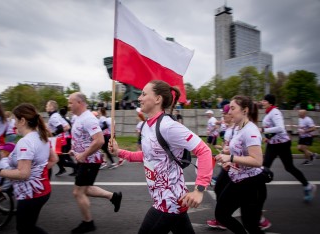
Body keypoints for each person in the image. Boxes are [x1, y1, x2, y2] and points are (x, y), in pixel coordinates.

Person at [109, 80, 213, 233]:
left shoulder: (169, 126)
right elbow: (148, 156)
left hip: (169, 202)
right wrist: (119, 152)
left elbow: (204, 151)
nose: (139, 98)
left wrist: (199, 189)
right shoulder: (146, 126)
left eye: (144, 94)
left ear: (158, 99)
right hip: (169, 200)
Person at [0, 103, 59, 234]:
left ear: (22, 120)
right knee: (28, 227)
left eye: (14, 120)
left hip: (30, 194)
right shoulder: (42, 136)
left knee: (24, 228)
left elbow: (24, 174)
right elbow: (54, 159)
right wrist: (37, 171)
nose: (13, 124)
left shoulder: (25, 142)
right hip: (41, 191)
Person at [67, 92, 122, 234]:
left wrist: (83, 154)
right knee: (86, 189)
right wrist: (74, 150)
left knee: (78, 192)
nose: (69, 105)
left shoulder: (88, 119)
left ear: (79, 102)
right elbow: (83, 139)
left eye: (71, 102)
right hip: (84, 159)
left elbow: (100, 140)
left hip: (90, 161)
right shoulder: (78, 118)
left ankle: (88, 222)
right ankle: (114, 197)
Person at [215, 95, 267, 234]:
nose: (229, 112)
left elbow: (257, 161)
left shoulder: (250, 130)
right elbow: (241, 152)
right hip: (239, 179)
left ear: (245, 110)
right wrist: (228, 155)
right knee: (222, 214)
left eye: (233, 108)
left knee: (250, 225)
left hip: (251, 183)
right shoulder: (239, 128)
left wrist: (230, 157)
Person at [261, 94, 316, 201]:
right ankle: (255, 192)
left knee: (289, 167)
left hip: (282, 145)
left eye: (264, 101)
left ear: (270, 102)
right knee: (265, 167)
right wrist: (268, 138)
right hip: (273, 144)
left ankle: (308, 185)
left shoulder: (275, 112)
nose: (262, 102)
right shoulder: (269, 113)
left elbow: (280, 128)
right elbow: (273, 129)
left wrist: (264, 131)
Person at [46, 100, 76, 176]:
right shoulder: (57, 115)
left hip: (58, 141)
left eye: (47, 106)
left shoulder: (54, 117)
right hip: (61, 140)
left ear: (51, 107)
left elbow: (61, 128)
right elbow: (67, 126)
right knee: (58, 158)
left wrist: (52, 134)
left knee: (60, 160)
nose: (46, 107)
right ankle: (63, 169)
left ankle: (77, 167)